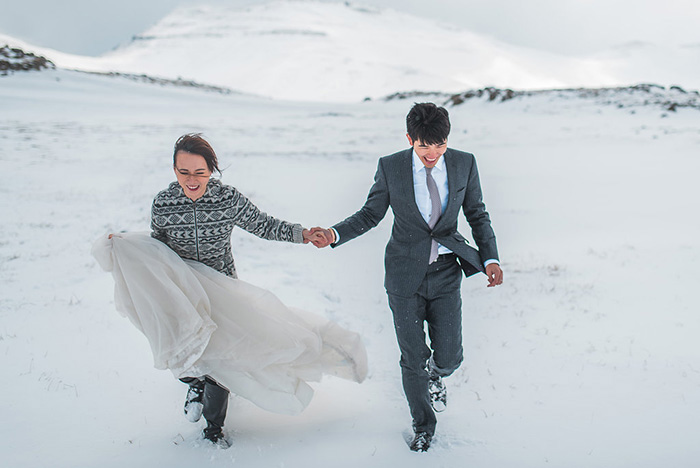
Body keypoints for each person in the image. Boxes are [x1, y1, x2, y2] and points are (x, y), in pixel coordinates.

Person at [93, 133, 367, 447]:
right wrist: (127, 246)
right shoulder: (163, 203)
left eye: (199, 172)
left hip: (222, 289)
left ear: (212, 170)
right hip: (183, 290)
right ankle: (194, 382)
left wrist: (302, 234)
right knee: (187, 348)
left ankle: (213, 428)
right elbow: (159, 248)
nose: (192, 180)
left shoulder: (226, 199)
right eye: (184, 172)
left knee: (222, 356)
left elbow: (262, 224)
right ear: (174, 170)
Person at [311, 103, 503, 452]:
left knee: (449, 356)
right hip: (403, 276)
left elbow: (477, 213)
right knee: (411, 357)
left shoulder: (464, 163)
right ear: (410, 139)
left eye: (440, 144)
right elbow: (370, 214)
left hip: (446, 273)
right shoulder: (391, 168)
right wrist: (335, 234)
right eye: (424, 146)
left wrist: (490, 257)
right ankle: (423, 425)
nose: (433, 153)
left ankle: (436, 375)